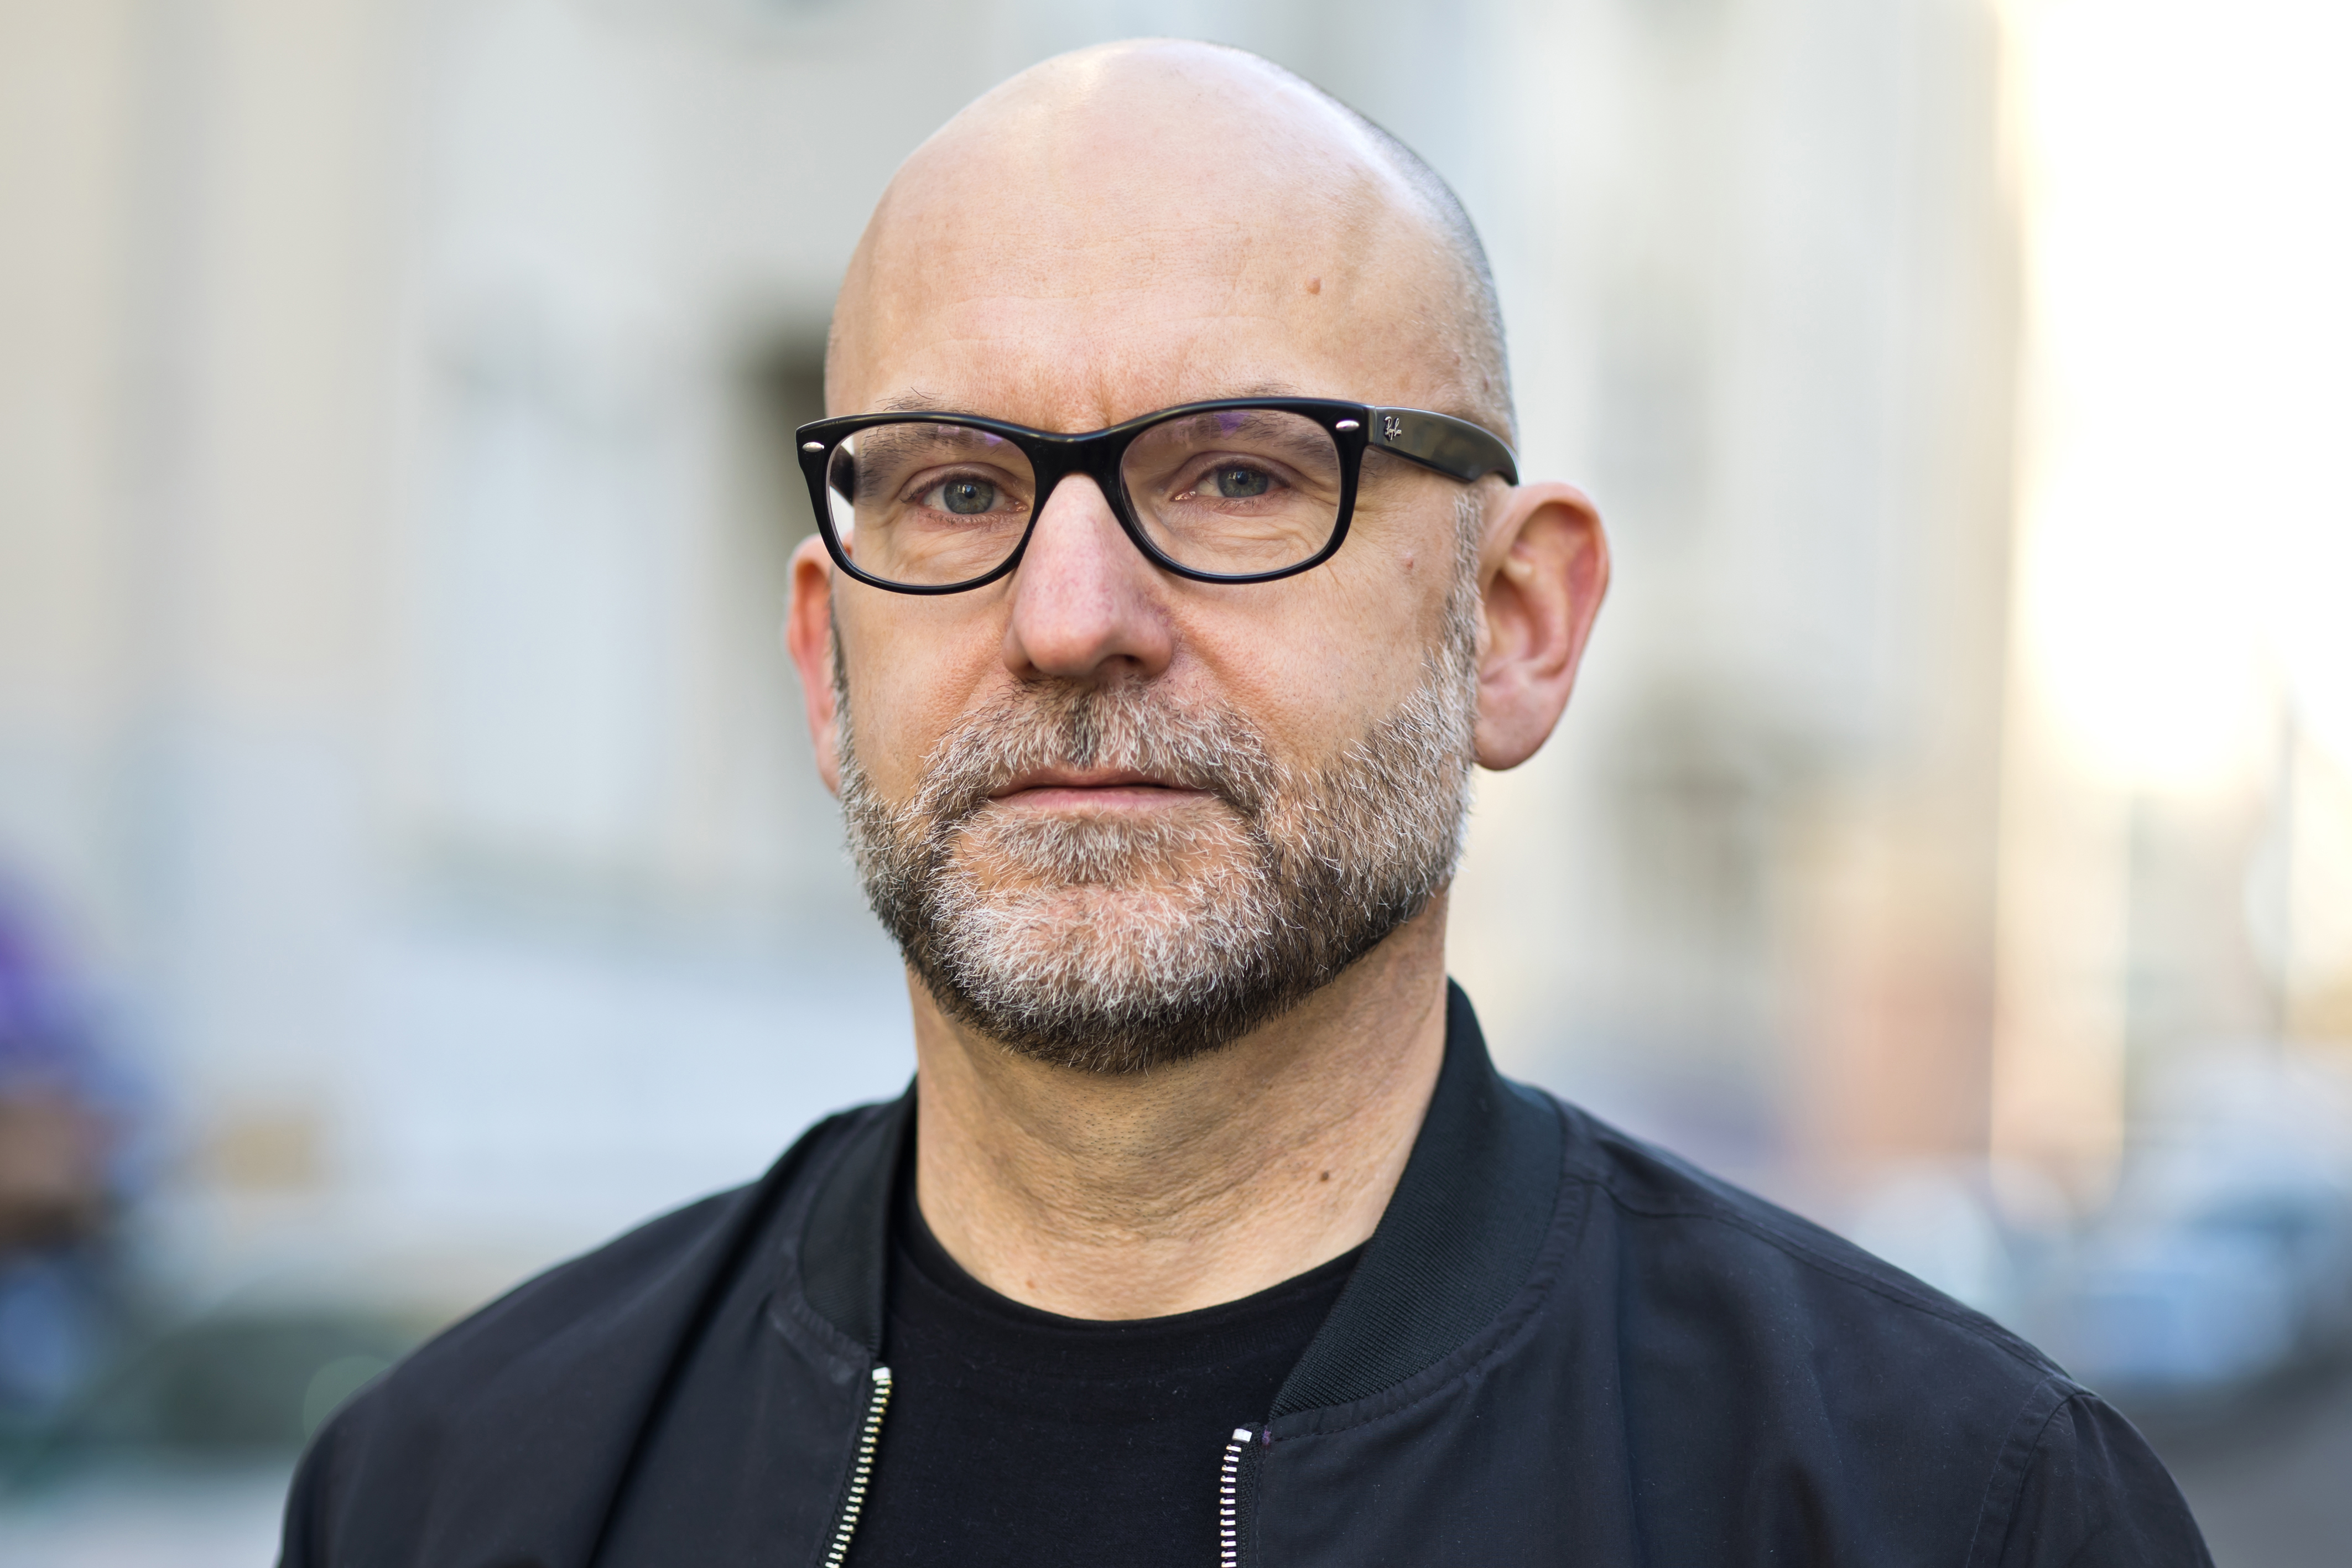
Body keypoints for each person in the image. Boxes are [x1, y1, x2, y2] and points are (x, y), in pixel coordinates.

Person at [278, 40, 2210, 1568]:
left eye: (1236, 475)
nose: (1069, 619)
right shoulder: (452, 1493)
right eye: (954, 488)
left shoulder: (1944, 1509)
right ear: (823, 661)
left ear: (1515, 625)